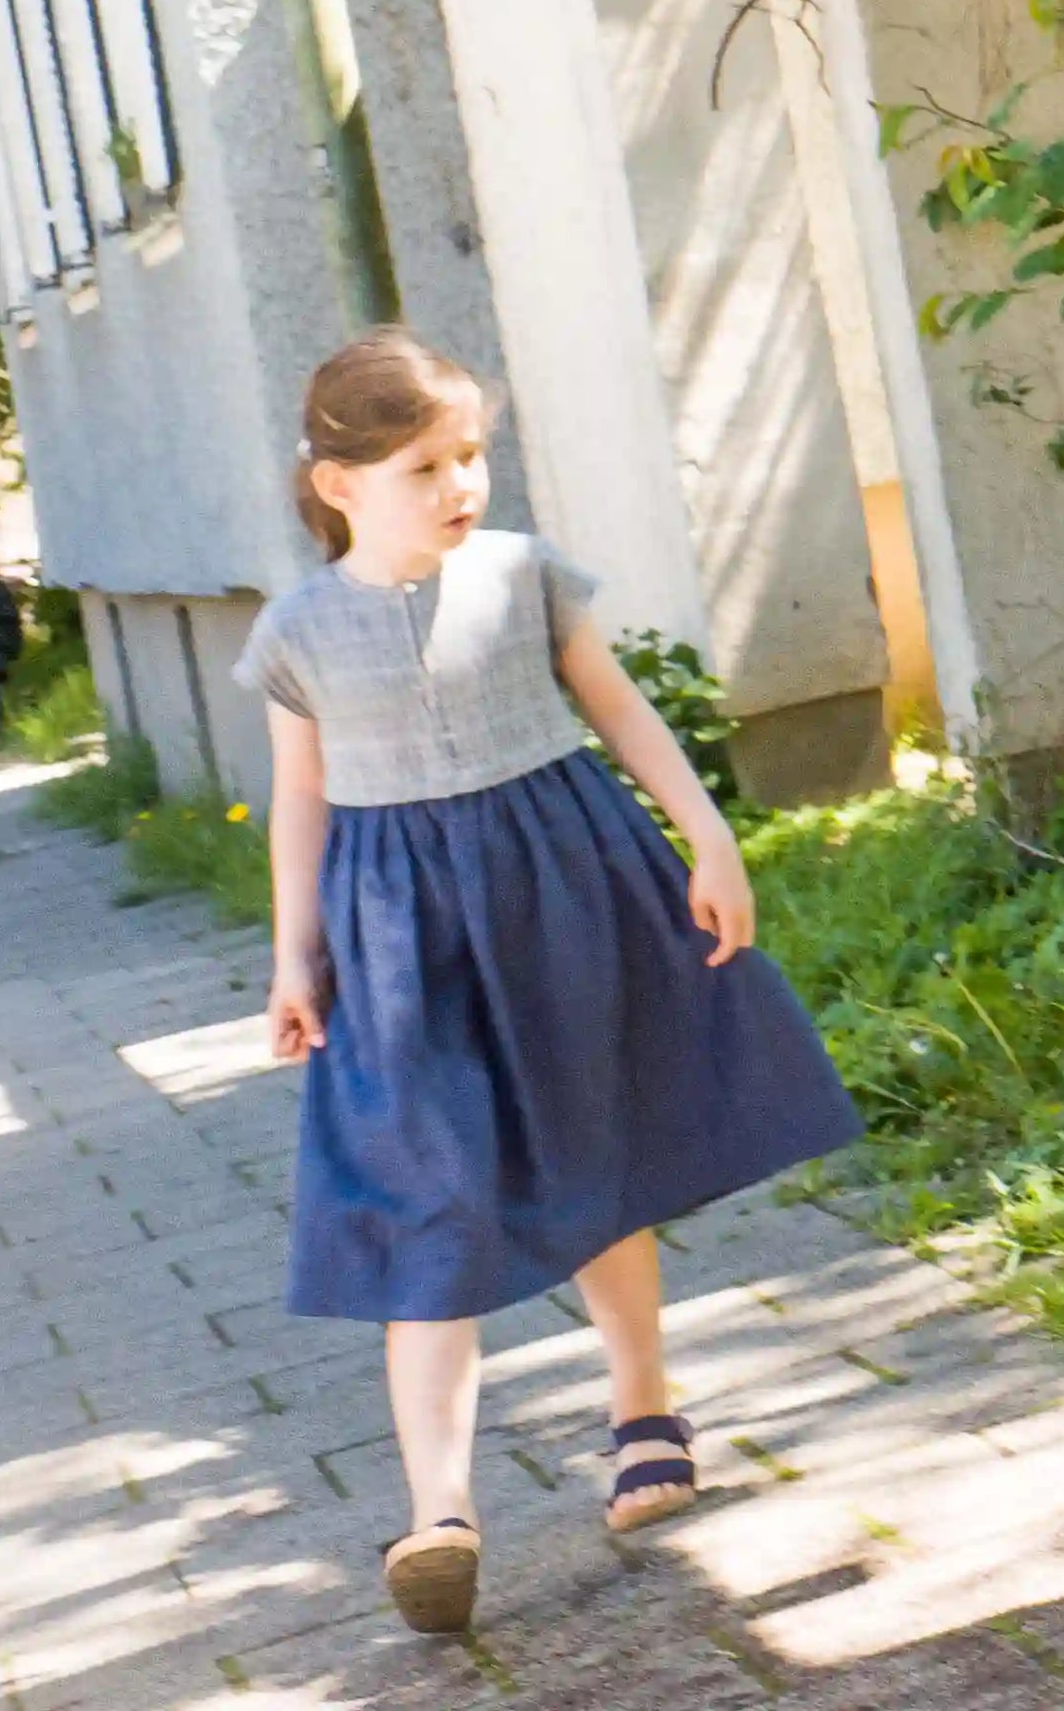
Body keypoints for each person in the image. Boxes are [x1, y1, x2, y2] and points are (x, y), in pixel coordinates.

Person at [248, 327, 863, 1639]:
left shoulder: (523, 578)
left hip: (557, 894)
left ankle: (644, 1409)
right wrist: (293, 953)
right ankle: (440, 1512)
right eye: (426, 465)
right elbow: (299, 801)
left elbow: (623, 709)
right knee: (430, 1195)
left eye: (472, 454)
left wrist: (708, 836)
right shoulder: (296, 634)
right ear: (340, 484)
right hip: (396, 942)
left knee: (592, 1156)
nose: (461, 483)